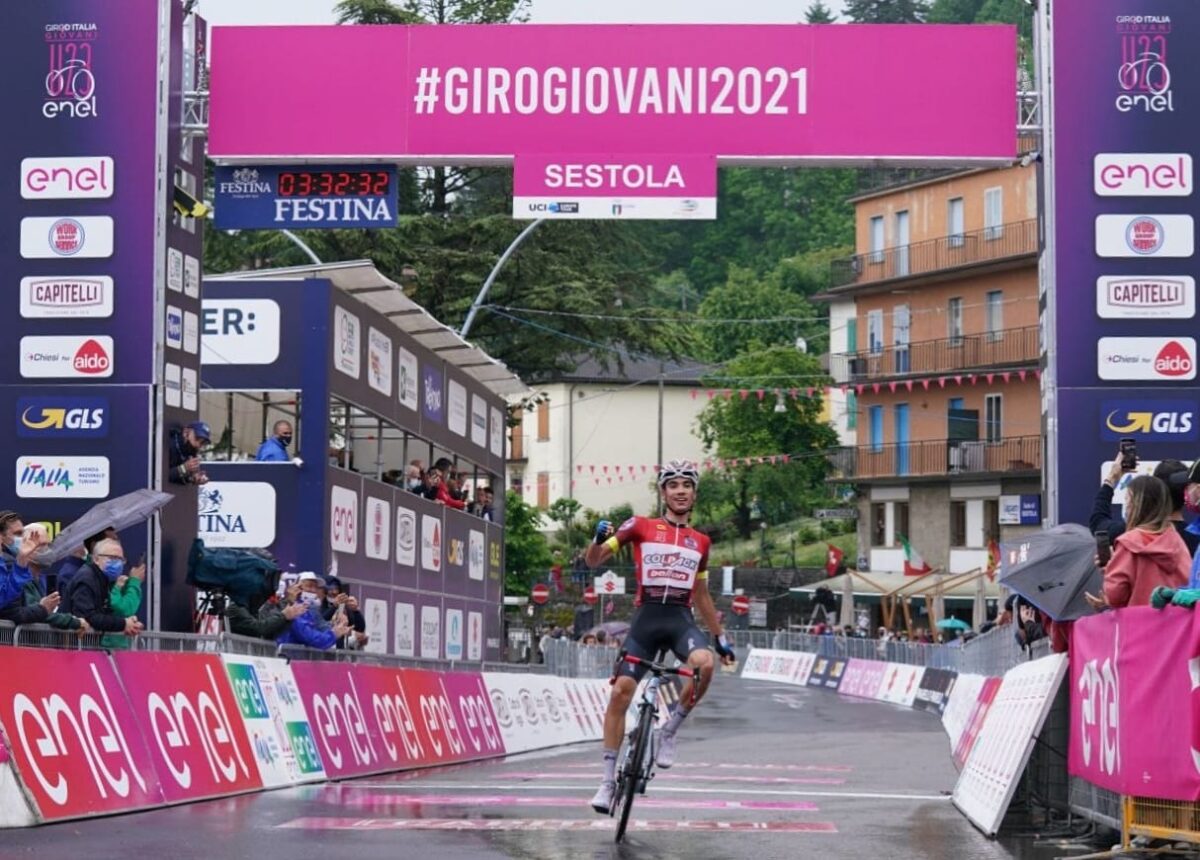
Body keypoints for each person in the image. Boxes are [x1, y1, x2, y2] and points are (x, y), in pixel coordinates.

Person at [583, 459, 735, 814]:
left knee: (705, 664)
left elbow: (701, 595)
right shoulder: (641, 526)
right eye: (673, 485)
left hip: (680, 619)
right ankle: (606, 783)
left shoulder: (701, 542)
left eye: (686, 485)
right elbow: (594, 561)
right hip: (646, 619)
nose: (680, 491)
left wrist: (720, 636)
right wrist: (596, 541)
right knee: (622, 691)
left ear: (694, 493)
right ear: (663, 492)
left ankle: (668, 731)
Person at [1089, 475, 1190, 609]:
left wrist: (1111, 568)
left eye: (1127, 500)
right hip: (1177, 626)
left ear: (1135, 505)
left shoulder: (1127, 543)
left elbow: (1115, 596)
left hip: (1141, 626)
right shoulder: (1177, 541)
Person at [1092, 454, 1199, 554]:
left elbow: (1098, 523)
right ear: (1186, 491)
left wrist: (1111, 479)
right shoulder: (1195, 538)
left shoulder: (1131, 533)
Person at [66, 538, 144, 639]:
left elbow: (104, 613)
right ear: (96, 559)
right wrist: (123, 623)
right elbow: (88, 616)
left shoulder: (104, 580)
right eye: (112, 558)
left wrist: (128, 621)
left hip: (88, 646)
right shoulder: (86, 579)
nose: (118, 563)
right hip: (71, 646)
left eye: (121, 559)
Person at [0, 511, 39, 610]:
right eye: (18, 534)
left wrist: (21, 559)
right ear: (1, 536)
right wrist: (42, 610)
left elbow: (4, 597)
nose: (22, 538)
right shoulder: (7, 562)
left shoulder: (5, 562)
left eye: (23, 533)